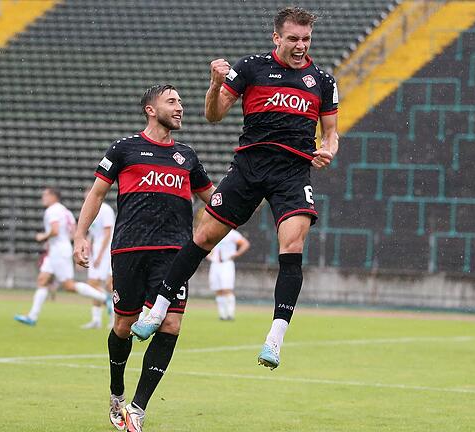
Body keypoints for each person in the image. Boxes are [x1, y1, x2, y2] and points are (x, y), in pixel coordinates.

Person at [132, 7, 339, 371]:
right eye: (293, 39)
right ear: (276, 37)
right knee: (203, 237)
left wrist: (328, 150)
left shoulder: (322, 80)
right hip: (249, 168)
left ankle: (274, 340)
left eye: (306, 39)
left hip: (292, 173)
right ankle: (157, 309)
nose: (300, 46)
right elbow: (214, 115)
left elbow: (332, 133)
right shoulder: (251, 68)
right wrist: (215, 84)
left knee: (292, 246)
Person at [73, 84, 214, 432]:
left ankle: (137, 408)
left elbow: (215, 199)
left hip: (174, 254)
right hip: (129, 250)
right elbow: (96, 194)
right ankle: (117, 394)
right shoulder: (125, 149)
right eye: (172, 101)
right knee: (123, 325)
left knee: (170, 324)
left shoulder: (187, 156)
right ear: (151, 109)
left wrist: (255, 188)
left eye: (181, 101)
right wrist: (80, 235)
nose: (180, 107)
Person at [14, 188, 108, 326]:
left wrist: (43, 236)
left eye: (45, 195)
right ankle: (32, 316)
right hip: (58, 249)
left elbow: (55, 230)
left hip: (58, 250)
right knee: (42, 280)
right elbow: (73, 231)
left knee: (69, 286)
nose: (43, 198)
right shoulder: (65, 211)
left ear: (53, 196)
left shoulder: (52, 210)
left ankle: (104, 298)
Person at [80, 189, 116, 330]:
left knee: (108, 285)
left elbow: (108, 233)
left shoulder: (105, 209)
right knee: (93, 283)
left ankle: (113, 316)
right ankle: (96, 319)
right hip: (96, 250)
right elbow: (90, 233)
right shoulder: (90, 210)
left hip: (106, 250)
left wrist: (101, 254)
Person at [206, 229, 249, 320]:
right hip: (215, 263)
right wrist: (208, 255)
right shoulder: (215, 231)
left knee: (227, 289)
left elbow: (245, 244)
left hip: (226, 263)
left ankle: (230, 314)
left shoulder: (232, 234)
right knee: (218, 290)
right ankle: (222, 314)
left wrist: (236, 254)